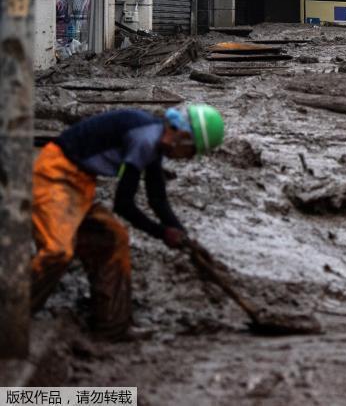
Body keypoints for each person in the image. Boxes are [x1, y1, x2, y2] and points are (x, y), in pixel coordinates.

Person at [30, 104, 225, 338]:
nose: (186, 158)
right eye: (191, 151)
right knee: (57, 251)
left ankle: (112, 326)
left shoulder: (154, 136)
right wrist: (163, 233)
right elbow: (123, 205)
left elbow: (157, 198)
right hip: (54, 176)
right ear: (182, 136)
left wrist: (183, 236)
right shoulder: (144, 140)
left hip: (80, 183)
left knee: (113, 239)